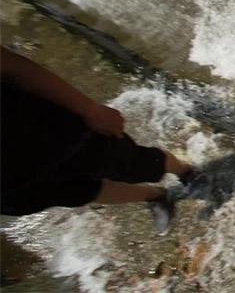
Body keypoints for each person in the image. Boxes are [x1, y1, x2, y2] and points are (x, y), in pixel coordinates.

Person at [0, 47, 194, 233]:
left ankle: (185, 171)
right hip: (12, 184)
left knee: (130, 162)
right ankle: (157, 197)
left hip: (47, 134)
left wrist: (90, 110)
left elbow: (12, 64)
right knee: (77, 192)